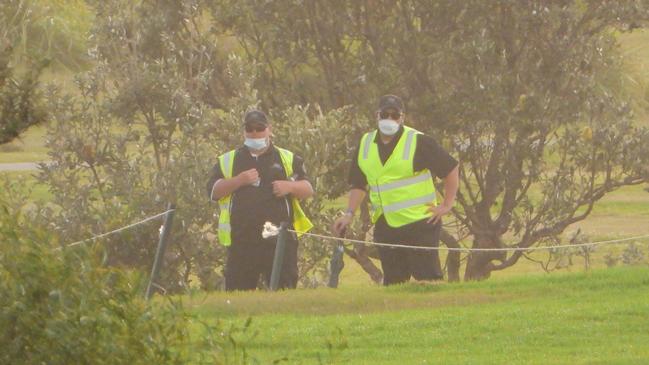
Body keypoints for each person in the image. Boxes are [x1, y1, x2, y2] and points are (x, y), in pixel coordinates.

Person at [332, 95, 459, 285]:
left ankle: (434, 313)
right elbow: (359, 184)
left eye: (394, 115)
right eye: (385, 114)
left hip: (420, 222)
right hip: (386, 224)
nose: (389, 119)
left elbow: (450, 168)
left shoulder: (418, 141)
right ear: (377, 115)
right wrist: (349, 214)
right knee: (394, 282)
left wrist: (447, 204)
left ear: (402, 118)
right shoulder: (365, 144)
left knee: (429, 279)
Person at [207, 110, 314, 291]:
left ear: (269, 130)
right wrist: (239, 180)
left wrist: (289, 187)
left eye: (259, 128)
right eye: (250, 129)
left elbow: (308, 189)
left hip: (279, 242)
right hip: (242, 241)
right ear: (244, 132)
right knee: (238, 298)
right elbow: (213, 192)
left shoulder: (287, 158)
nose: (255, 133)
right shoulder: (229, 160)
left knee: (284, 295)